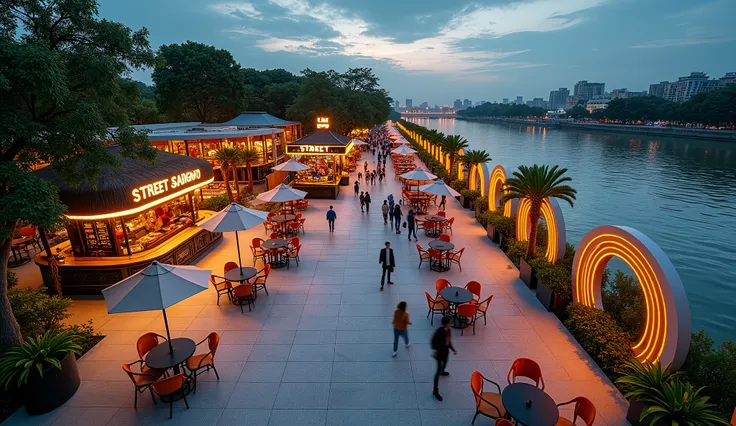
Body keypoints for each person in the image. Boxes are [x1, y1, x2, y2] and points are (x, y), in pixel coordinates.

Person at [431, 316, 457, 401]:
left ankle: (443, 371)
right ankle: (435, 390)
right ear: (446, 324)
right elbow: (433, 342)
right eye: (450, 323)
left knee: (445, 363)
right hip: (439, 354)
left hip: (445, 353)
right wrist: (437, 350)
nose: (451, 324)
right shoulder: (439, 331)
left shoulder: (449, 330)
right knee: (437, 372)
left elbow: (449, 341)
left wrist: (453, 349)